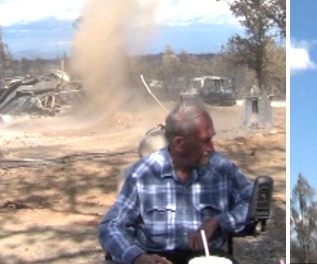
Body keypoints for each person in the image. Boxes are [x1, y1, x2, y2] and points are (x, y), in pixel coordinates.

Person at [99, 100, 254, 264]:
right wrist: (137, 257)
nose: (211, 148)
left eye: (211, 139)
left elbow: (251, 202)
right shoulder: (144, 174)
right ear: (179, 143)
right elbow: (111, 227)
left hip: (206, 257)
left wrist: (218, 222)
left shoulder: (221, 167)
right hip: (156, 257)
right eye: (205, 141)